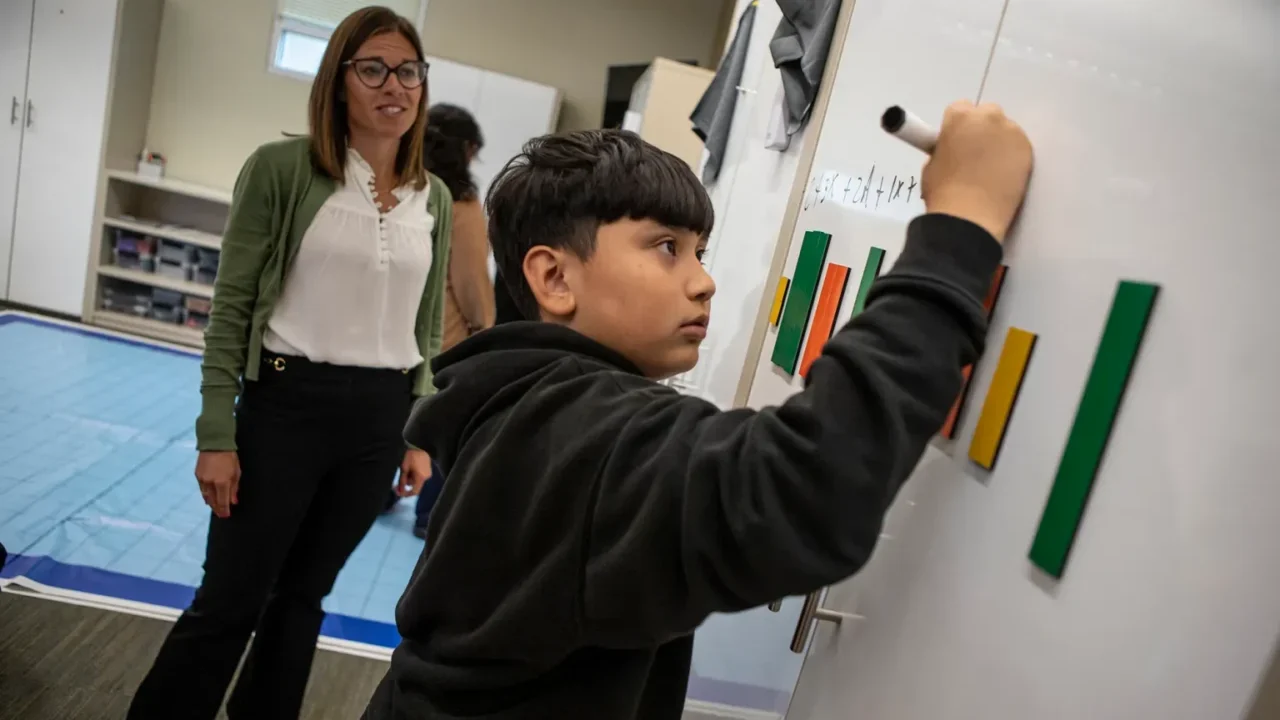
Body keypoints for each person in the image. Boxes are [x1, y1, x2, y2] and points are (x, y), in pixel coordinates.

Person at [363, 103, 1034, 719]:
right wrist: (960, 229)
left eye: (700, 252)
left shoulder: (524, 402)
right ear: (555, 278)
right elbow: (808, 489)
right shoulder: (580, 427)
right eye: (667, 247)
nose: (704, 280)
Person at [128, 8, 452, 719]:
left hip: (379, 422)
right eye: (373, 69)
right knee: (231, 598)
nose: (394, 86)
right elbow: (232, 309)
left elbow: (425, 326)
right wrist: (217, 433)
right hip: (284, 408)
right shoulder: (281, 170)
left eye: (409, 71)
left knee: (304, 596)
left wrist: (419, 432)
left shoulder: (435, 197)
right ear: (338, 81)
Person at [384, 103, 493, 536]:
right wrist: (484, 329)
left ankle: (380, 494)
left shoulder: (399, 187)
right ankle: (428, 515)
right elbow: (470, 282)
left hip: (390, 331)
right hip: (442, 336)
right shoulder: (461, 206)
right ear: (466, 149)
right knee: (443, 426)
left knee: (391, 419)